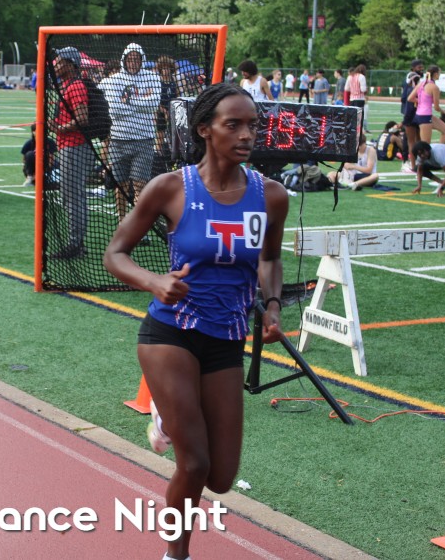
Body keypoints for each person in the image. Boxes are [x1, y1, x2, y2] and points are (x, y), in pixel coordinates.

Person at [103, 82, 287, 560]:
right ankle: (176, 554)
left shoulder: (271, 196)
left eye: (252, 126)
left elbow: (269, 259)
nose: (247, 135)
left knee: (221, 478)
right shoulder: (170, 187)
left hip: (227, 338)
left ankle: (168, 415)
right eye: (234, 125)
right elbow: (115, 254)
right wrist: (155, 282)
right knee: (195, 463)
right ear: (205, 129)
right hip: (170, 332)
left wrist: (272, 305)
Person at [103, 44, 161, 221]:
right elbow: (114, 110)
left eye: (137, 59)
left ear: (142, 60)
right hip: (118, 140)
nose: (133, 62)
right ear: (124, 60)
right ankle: (122, 222)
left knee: (140, 185)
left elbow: (154, 104)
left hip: (144, 139)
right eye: (130, 59)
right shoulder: (114, 80)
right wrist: (141, 101)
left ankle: (137, 225)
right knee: (120, 185)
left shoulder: (152, 77)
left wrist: (128, 101)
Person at [49, 47, 91, 259]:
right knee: (70, 196)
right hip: (69, 146)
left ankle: (76, 245)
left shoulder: (75, 86)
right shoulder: (67, 85)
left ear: (70, 64)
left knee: (73, 196)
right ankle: (76, 243)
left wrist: (59, 128)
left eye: (59, 61)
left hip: (74, 146)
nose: (55, 64)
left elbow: (82, 119)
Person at [408, 64, 445, 144]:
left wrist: (422, 101)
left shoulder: (421, 83)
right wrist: (444, 112)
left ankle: (440, 150)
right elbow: (436, 107)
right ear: (435, 74)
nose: (439, 75)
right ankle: (425, 153)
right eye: (439, 73)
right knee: (425, 144)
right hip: (425, 116)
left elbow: (410, 98)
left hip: (421, 114)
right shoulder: (434, 87)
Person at [400, 59, 423, 173]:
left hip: (417, 113)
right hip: (410, 113)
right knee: (410, 140)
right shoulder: (410, 82)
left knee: (417, 140)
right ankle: (410, 162)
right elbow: (404, 98)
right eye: (419, 67)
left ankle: (418, 163)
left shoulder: (419, 81)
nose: (421, 69)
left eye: (422, 67)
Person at [346, 64, 368, 131]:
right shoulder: (361, 77)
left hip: (352, 98)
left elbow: (346, 88)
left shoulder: (349, 77)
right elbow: (363, 89)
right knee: (359, 116)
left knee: (352, 115)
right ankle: (359, 130)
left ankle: (351, 129)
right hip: (360, 99)